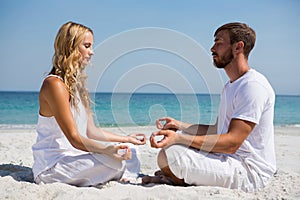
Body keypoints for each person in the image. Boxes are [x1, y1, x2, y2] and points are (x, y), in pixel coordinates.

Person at [142, 22, 276, 192]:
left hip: (249, 171)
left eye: (219, 43)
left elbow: (232, 142)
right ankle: (176, 176)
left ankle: (178, 179)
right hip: (228, 158)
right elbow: (217, 130)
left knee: (171, 155)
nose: (212, 48)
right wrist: (179, 126)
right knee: (172, 148)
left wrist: (180, 138)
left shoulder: (252, 86)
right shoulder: (230, 85)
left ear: (238, 47)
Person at [32, 21, 146, 187]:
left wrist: (127, 138)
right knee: (113, 160)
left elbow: (90, 131)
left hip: (75, 158)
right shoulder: (54, 85)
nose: (91, 52)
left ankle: (123, 177)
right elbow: (74, 138)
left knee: (131, 150)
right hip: (53, 166)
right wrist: (108, 150)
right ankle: (121, 175)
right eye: (86, 46)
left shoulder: (77, 86)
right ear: (70, 46)